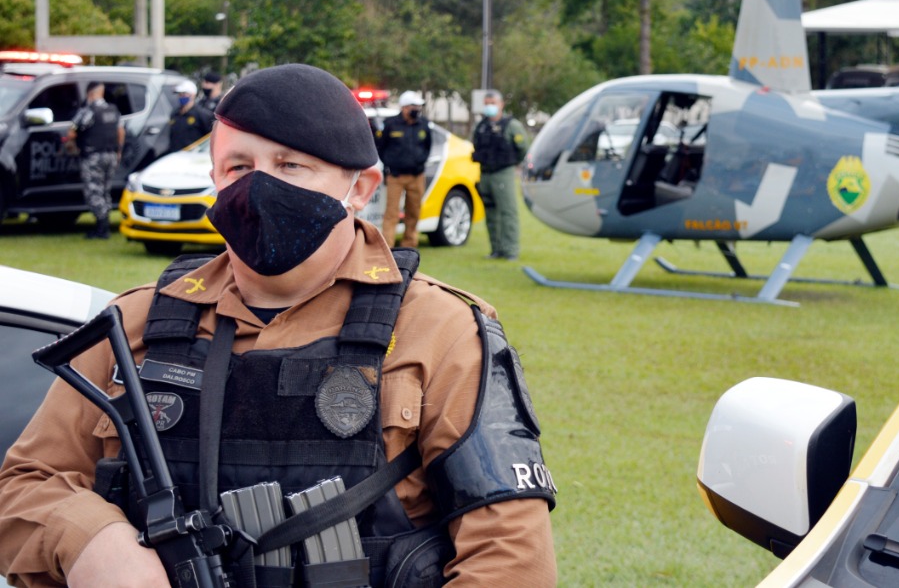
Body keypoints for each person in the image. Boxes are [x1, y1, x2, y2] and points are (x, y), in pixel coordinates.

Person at [0, 65, 557, 588]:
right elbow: (25, 486)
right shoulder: (136, 325)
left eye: (291, 165)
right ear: (216, 177)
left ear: (360, 188)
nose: (259, 187)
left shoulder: (441, 330)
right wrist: (92, 540)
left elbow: (508, 552)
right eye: (239, 167)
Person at [471, 90, 528, 260]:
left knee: (508, 212)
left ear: (501, 104)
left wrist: (512, 164)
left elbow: (523, 148)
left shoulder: (511, 125)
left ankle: (510, 250)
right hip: (485, 173)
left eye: (493, 103)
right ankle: (496, 249)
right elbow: (475, 145)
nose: (489, 106)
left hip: (503, 173)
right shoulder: (480, 126)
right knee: (491, 213)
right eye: (487, 103)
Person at [66, 81, 124, 240]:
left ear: (90, 93)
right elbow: (121, 131)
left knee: (93, 191)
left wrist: (71, 145)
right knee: (105, 190)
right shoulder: (113, 110)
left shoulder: (88, 111)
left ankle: (102, 227)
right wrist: (119, 151)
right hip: (111, 155)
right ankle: (105, 224)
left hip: (93, 156)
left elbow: (72, 132)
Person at [375, 90, 433, 247]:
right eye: (414, 106)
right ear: (404, 107)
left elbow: (428, 146)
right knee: (391, 213)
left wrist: (420, 162)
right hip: (396, 175)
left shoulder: (423, 124)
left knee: (414, 212)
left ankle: (409, 245)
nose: (417, 109)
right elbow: (381, 147)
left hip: (416, 175)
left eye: (418, 106)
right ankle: (388, 246)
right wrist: (390, 164)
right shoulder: (391, 124)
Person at [166, 79, 213, 153]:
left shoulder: (202, 114)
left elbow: (210, 137)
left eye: (184, 94)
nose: (181, 96)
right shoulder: (175, 113)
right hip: (175, 154)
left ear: (193, 95)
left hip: (192, 156)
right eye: (180, 94)